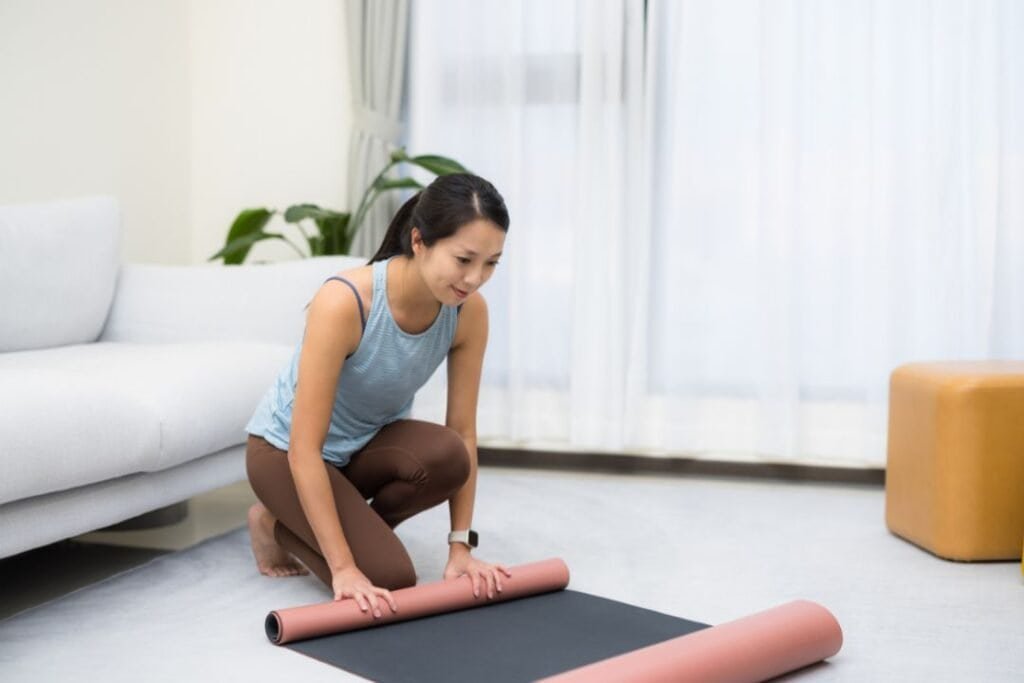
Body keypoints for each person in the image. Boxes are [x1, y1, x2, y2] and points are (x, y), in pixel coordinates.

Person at [245, 173, 512, 620]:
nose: (475, 278)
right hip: (285, 453)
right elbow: (304, 448)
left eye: (491, 264)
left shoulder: (469, 312)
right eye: (464, 258)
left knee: (447, 456)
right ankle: (273, 522)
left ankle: (344, 530)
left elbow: (462, 432)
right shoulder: (346, 301)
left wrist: (460, 546)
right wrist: (344, 567)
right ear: (419, 241)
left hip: (361, 447)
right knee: (389, 577)